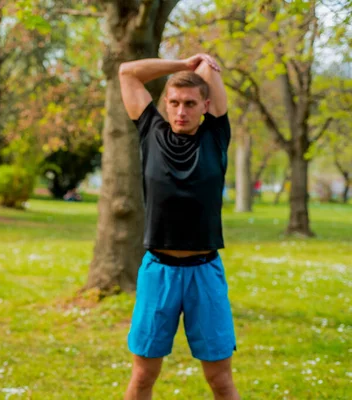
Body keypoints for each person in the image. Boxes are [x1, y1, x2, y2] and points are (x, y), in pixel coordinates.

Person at [118, 54, 240, 400]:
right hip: (159, 272)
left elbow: (208, 77)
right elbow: (127, 72)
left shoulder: (216, 136)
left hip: (205, 271)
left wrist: (205, 66)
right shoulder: (150, 131)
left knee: (220, 379)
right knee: (143, 377)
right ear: (165, 105)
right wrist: (182, 64)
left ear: (205, 105)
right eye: (174, 103)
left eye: (190, 103)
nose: (181, 111)